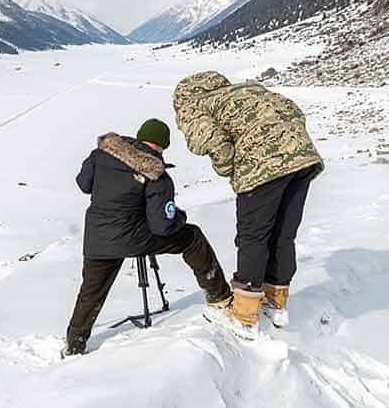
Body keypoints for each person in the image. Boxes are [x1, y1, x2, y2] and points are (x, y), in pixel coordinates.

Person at [173, 71, 323, 338]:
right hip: (303, 158)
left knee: (253, 236)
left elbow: (213, 142)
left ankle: (243, 316)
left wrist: (230, 169)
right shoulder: (246, 91)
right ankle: (276, 304)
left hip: (263, 166)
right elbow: (294, 111)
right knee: (282, 234)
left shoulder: (195, 105)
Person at [64, 118, 232, 356]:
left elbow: (84, 184)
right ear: (163, 145)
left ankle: (74, 343)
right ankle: (220, 297)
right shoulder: (156, 175)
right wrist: (179, 218)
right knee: (192, 237)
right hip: (133, 237)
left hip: (97, 238)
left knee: (91, 291)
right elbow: (162, 226)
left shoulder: (101, 154)